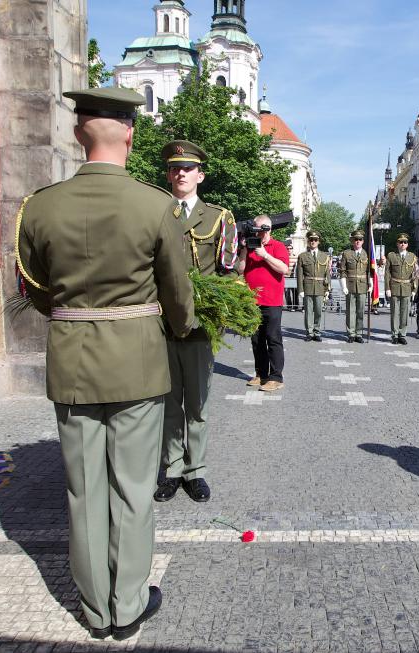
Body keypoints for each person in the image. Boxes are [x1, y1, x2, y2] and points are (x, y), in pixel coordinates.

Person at [15, 87, 194, 639]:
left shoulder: (40, 205)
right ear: (130, 134)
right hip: (137, 358)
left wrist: (72, 314)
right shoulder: (154, 204)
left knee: (84, 490)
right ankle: (129, 603)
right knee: (134, 488)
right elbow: (178, 294)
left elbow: (34, 285)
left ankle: (94, 610)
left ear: (78, 134)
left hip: (71, 358)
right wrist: (179, 327)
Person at [155, 139, 237, 505]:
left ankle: (196, 470)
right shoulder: (155, 211)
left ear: (200, 175)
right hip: (161, 321)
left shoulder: (219, 217)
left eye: (188, 168)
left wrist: (220, 316)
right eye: (175, 168)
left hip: (201, 324)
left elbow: (227, 271)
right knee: (169, 402)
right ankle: (172, 468)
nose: (181, 173)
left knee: (198, 403)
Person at [238, 215, 289, 390]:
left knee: (273, 338)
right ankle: (261, 374)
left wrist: (265, 255)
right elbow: (240, 269)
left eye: (260, 229)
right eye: (255, 229)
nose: (257, 233)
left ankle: (276, 377)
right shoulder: (250, 245)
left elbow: (284, 269)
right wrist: (244, 250)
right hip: (252, 300)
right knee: (256, 339)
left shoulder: (278, 246)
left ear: (268, 229)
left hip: (272, 301)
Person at [296, 230, 331, 342]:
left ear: (318, 242)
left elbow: (327, 274)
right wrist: (300, 289)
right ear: (308, 241)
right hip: (308, 287)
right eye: (311, 240)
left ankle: (317, 331)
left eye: (315, 240)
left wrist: (328, 288)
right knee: (308, 311)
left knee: (319, 311)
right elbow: (299, 274)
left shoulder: (324, 256)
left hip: (320, 287)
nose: (313, 242)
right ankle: (309, 332)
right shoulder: (302, 256)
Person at [338, 230, 371, 343]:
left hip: (362, 285)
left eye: (360, 239)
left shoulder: (367, 253)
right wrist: (343, 285)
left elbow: (369, 271)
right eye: (356, 239)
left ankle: (359, 333)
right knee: (351, 311)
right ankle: (351, 333)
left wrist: (370, 284)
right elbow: (342, 271)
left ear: (363, 241)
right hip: (350, 285)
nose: (358, 241)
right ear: (352, 241)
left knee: (360, 311)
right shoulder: (347, 253)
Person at [384, 233, 417, 344]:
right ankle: (394, 334)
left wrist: (414, 289)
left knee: (405, 313)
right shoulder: (391, 256)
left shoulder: (412, 257)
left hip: (407, 288)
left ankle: (402, 334)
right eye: (401, 242)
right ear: (397, 244)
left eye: (405, 242)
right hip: (394, 287)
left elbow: (415, 274)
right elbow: (387, 273)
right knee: (394, 313)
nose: (403, 244)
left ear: (407, 244)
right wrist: (387, 288)